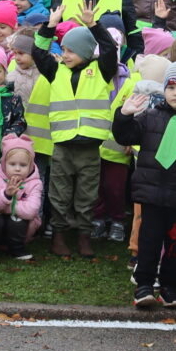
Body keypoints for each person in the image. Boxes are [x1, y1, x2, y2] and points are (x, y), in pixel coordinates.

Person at [113, 60, 176, 309]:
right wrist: (124, 115)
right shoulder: (150, 117)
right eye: (171, 88)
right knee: (148, 242)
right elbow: (125, 136)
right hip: (152, 195)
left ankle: (170, 287)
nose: (175, 93)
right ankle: (144, 286)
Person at [31, 20, 121, 258]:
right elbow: (38, 51)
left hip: (89, 147)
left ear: (84, 52)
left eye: (70, 50)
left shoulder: (101, 71)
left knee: (87, 195)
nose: (64, 54)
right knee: (59, 193)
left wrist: (94, 25)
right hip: (62, 145)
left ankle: (84, 237)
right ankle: (59, 238)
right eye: (63, 50)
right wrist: (49, 27)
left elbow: (109, 48)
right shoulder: (55, 71)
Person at [0, 135, 43, 261]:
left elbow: (31, 211)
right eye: (12, 164)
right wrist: (6, 195)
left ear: (31, 166)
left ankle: (18, 248)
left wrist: (6, 206)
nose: (17, 168)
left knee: (16, 219)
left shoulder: (35, 183)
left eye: (23, 165)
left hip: (21, 229)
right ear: (3, 163)